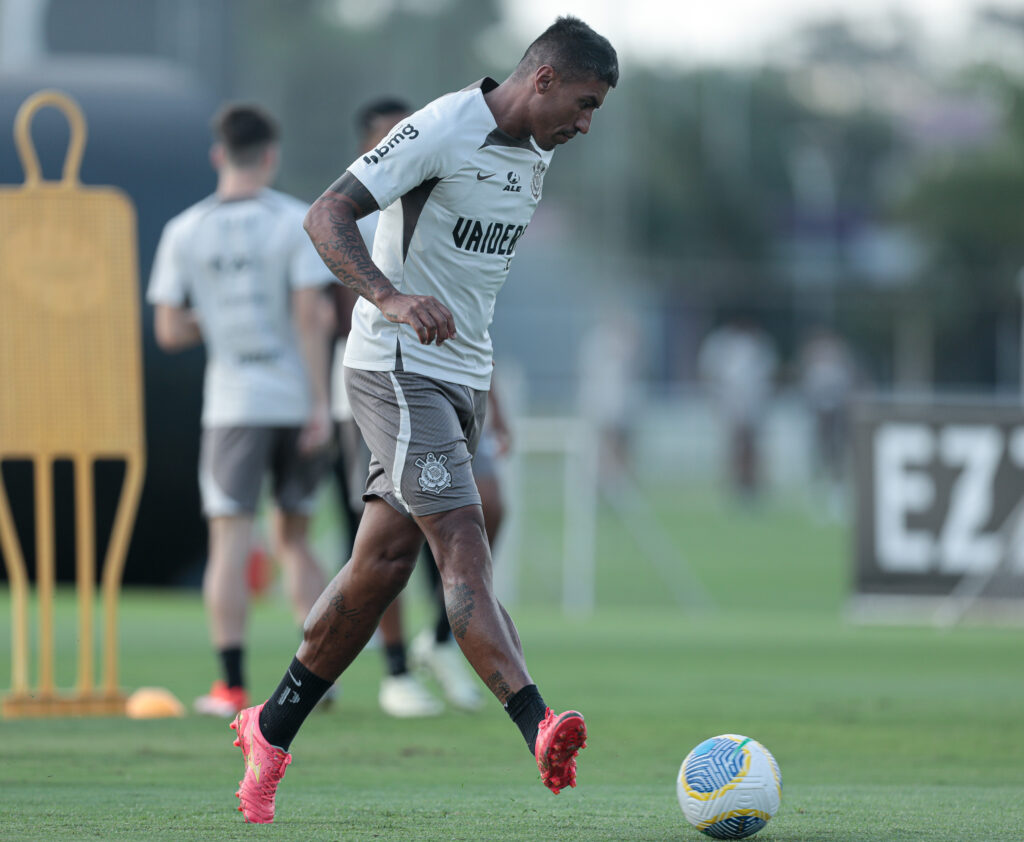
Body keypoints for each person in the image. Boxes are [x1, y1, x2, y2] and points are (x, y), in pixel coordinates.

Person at [229, 16, 618, 824]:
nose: (585, 126)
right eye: (582, 104)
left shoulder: (536, 154)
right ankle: (537, 722)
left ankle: (267, 730)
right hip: (397, 367)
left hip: (464, 377)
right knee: (464, 540)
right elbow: (325, 216)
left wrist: (493, 394)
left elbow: (473, 289)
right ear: (542, 78)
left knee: (380, 565)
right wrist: (389, 297)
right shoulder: (441, 128)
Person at [148, 103, 335, 717]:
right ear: (271, 156)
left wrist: (218, 313)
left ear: (218, 156)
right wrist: (317, 402)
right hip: (295, 400)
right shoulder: (293, 220)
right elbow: (312, 314)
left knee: (230, 541)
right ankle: (319, 683)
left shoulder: (185, 229)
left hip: (233, 405)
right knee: (294, 539)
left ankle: (230, 686)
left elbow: (169, 329)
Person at [697, 315, 778, 503]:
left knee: (752, 448)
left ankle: (752, 487)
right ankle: (734, 487)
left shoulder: (758, 344)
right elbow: (710, 374)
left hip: (753, 405)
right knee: (733, 447)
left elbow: (767, 376)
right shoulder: (720, 345)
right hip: (730, 404)